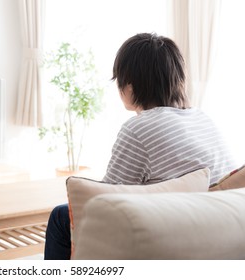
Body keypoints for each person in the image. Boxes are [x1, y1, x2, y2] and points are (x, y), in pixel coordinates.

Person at [44, 32, 237, 260]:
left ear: (130, 85)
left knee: (60, 216)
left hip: (169, 230)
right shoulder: (202, 118)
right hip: (218, 228)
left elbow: (102, 202)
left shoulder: (138, 129)